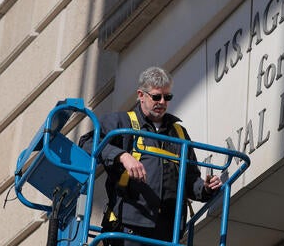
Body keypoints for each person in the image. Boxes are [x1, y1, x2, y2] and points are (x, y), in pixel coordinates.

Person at [81, 66, 222, 245]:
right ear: (141, 95)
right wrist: (122, 156)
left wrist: (206, 188)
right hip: (129, 227)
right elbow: (87, 143)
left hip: (168, 230)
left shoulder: (178, 134)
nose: (162, 102)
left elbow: (190, 179)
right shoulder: (122, 122)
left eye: (167, 97)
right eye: (156, 96)